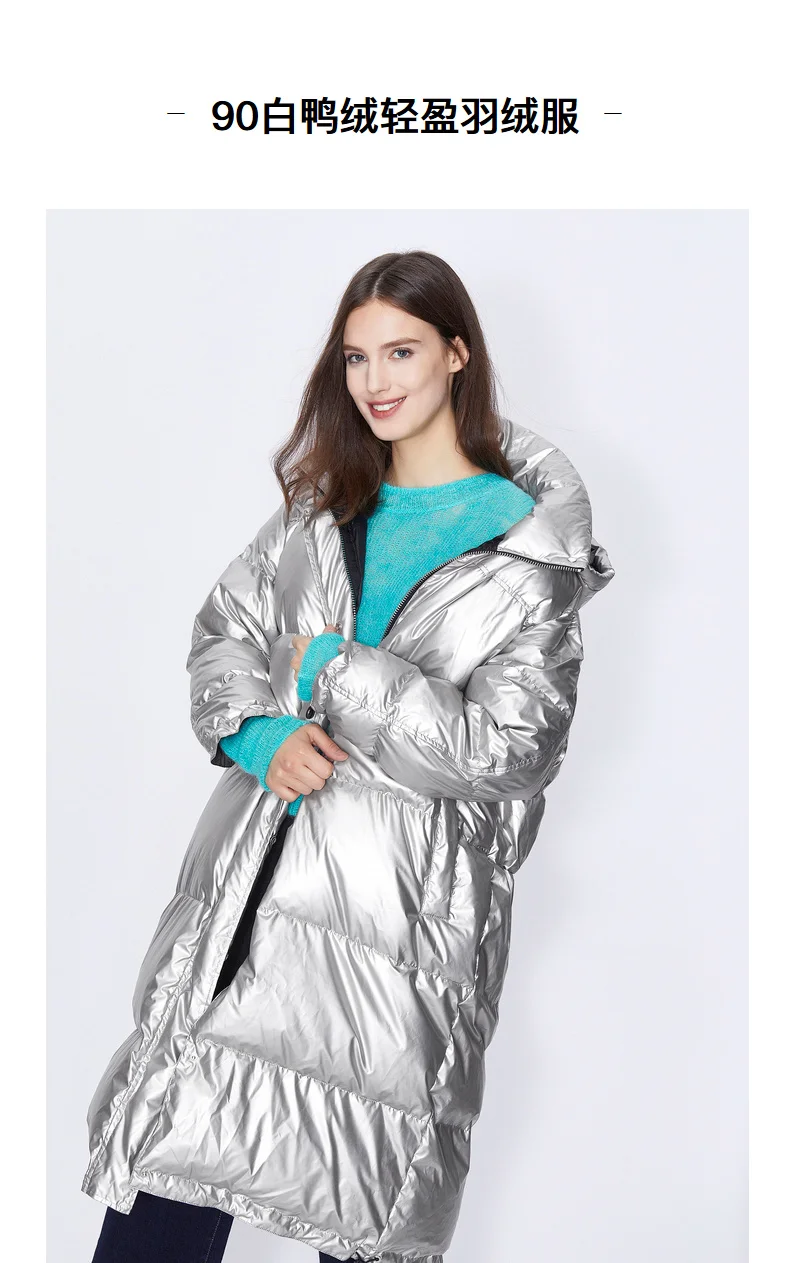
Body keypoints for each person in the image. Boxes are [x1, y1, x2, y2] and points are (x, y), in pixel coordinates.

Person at [84, 249, 614, 1263]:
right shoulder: (322, 510)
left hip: (395, 938)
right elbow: (225, 637)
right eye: (356, 356)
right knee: (162, 1199)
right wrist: (260, 735)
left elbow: (510, 750)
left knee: (364, 1212)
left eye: (401, 352)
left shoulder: (526, 552)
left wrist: (338, 670)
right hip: (248, 905)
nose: (375, 380)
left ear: (457, 354)